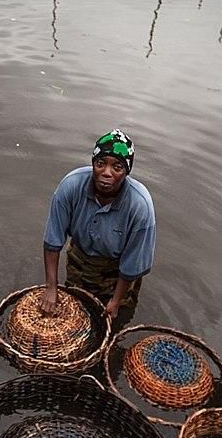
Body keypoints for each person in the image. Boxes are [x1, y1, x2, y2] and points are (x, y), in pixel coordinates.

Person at [40, 129, 155, 319]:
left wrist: (116, 301)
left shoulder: (140, 206)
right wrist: (51, 287)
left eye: (117, 167)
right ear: (93, 164)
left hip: (117, 272)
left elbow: (133, 263)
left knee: (114, 320)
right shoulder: (70, 186)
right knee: (74, 313)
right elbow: (53, 240)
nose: (107, 173)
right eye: (100, 164)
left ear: (126, 172)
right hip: (80, 260)